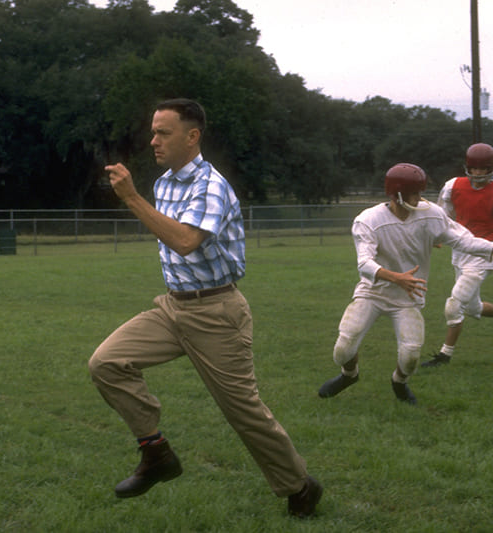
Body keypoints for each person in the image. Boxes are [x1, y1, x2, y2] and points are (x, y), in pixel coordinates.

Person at [87, 98, 322, 518]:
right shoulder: (164, 184)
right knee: (106, 363)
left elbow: (184, 241)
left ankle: (300, 487)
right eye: (153, 131)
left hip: (217, 313)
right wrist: (142, 197)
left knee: (244, 413)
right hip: (172, 308)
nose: (153, 140)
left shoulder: (211, 186)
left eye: (163, 132)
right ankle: (156, 454)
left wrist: (131, 198)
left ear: (192, 136)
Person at [318, 163, 493, 405]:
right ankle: (349, 375)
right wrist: (396, 277)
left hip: (407, 297)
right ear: (397, 193)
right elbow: (364, 264)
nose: (420, 198)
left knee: (410, 355)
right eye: (415, 193)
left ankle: (399, 382)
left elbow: (466, 241)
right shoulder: (368, 220)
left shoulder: (430, 214)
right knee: (343, 349)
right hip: (373, 293)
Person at [422, 143, 493, 368]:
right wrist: (437, 236)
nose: (478, 173)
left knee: (454, 304)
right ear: (468, 167)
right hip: (461, 251)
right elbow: (443, 216)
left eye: (483, 169)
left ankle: (445, 355)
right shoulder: (453, 186)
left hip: (484, 253)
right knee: (472, 308)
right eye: (474, 168)